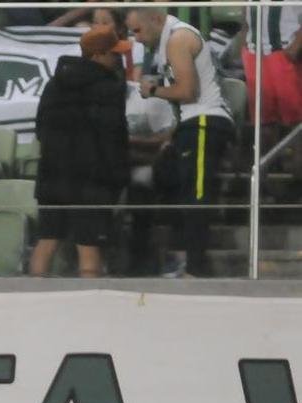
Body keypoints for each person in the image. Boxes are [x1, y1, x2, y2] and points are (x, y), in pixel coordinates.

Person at [128, 7, 235, 277]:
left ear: (155, 19)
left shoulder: (177, 39)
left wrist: (153, 89)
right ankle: (178, 257)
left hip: (204, 123)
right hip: (190, 124)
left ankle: (196, 268)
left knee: (195, 196)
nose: (136, 38)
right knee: (158, 180)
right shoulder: (168, 40)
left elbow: (187, 91)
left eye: (137, 30)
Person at [30, 27, 131, 278]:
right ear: (99, 54)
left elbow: (41, 129)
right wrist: (119, 179)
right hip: (91, 181)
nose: (117, 59)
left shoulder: (55, 84)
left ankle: (30, 299)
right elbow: (113, 138)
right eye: (113, 53)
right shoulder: (109, 87)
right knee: (88, 246)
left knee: (47, 240)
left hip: (53, 176)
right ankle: (90, 306)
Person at [241, 1, 302, 183]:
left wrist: (295, 46)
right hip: (254, 54)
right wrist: (244, 43)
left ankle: (297, 177)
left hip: (283, 51)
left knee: (295, 118)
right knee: (263, 121)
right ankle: (266, 177)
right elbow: (244, 13)